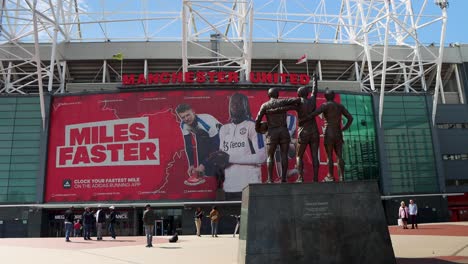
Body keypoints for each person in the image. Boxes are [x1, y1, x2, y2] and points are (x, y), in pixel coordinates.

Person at [215, 93, 266, 199]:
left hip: (250, 187)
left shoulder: (255, 126)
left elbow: (262, 157)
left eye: (239, 103)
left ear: (245, 105)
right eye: (233, 103)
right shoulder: (224, 129)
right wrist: (218, 161)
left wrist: (230, 158)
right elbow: (222, 157)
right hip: (229, 188)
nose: (235, 105)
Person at [255, 88, 301, 183]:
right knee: (284, 155)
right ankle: (284, 178)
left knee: (270, 156)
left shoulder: (265, 105)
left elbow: (257, 120)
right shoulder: (282, 102)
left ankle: (270, 179)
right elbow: (296, 100)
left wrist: (258, 129)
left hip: (272, 133)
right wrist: (301, 98)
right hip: (283, 131)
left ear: (269, 95)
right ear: (277, 95)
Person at [176, 103, 223, 186]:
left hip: (221, 136)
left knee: (210, 166)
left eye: (188, 115)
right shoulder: (183, 125)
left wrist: (202, 165)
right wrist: (191, 164)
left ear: (193, 112)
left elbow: (215, 146)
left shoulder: (207, 123)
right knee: (200, 143)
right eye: (183, 117)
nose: (186, 119)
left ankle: (202, 171)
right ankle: (200, 176)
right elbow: (189, 145)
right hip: (203, 135)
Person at [312, 88, 353, 182]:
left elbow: (314, 114)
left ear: (325, 97)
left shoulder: (325, 105)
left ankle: (330, 176)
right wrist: (344, 128)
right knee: (339, 155)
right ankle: (342, 177)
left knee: (329, 156)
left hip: (329, 132)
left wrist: (306, 116)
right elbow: (350, 118)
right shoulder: (340, 106)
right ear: (333, 96)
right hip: (338, 132)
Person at [295, 74, 320, 182]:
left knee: (299, 156)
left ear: (299, 94)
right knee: (315, 155)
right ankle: (315, 178)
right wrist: (315, 80)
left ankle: (300, 178)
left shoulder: (298, 103)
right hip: (314, 131)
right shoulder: (312, 100)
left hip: (303, 132)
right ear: (307, 93)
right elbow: (315, 91)